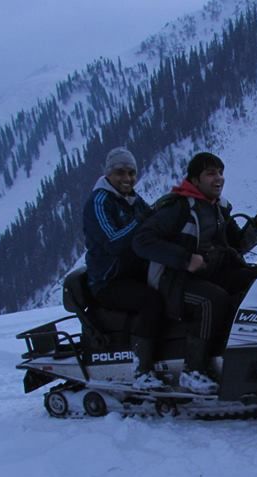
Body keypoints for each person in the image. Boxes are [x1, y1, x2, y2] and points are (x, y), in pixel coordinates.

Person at [133, 152, 257, 394]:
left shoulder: (217, 208)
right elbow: (142, 241)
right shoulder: (177, 207)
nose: (218, 178)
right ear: (195, 180)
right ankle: (193, 371)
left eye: (220, 172)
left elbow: (237, 244)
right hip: (174, 281)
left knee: (254, 283)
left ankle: (243, 353)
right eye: (211, 173)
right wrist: (185, 259)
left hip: (208, 274)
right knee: (212, 300)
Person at [83, 147, 167, 391]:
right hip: (108, 281)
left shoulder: (132, 199)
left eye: (132, 173)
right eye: (121, 172)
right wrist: (142, 219)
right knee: (150, 301)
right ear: (109, 173)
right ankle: (142, 371)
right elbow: (114, 241)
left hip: (132, 273)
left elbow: (150, 222)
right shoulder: (99, 202)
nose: (127, 178)